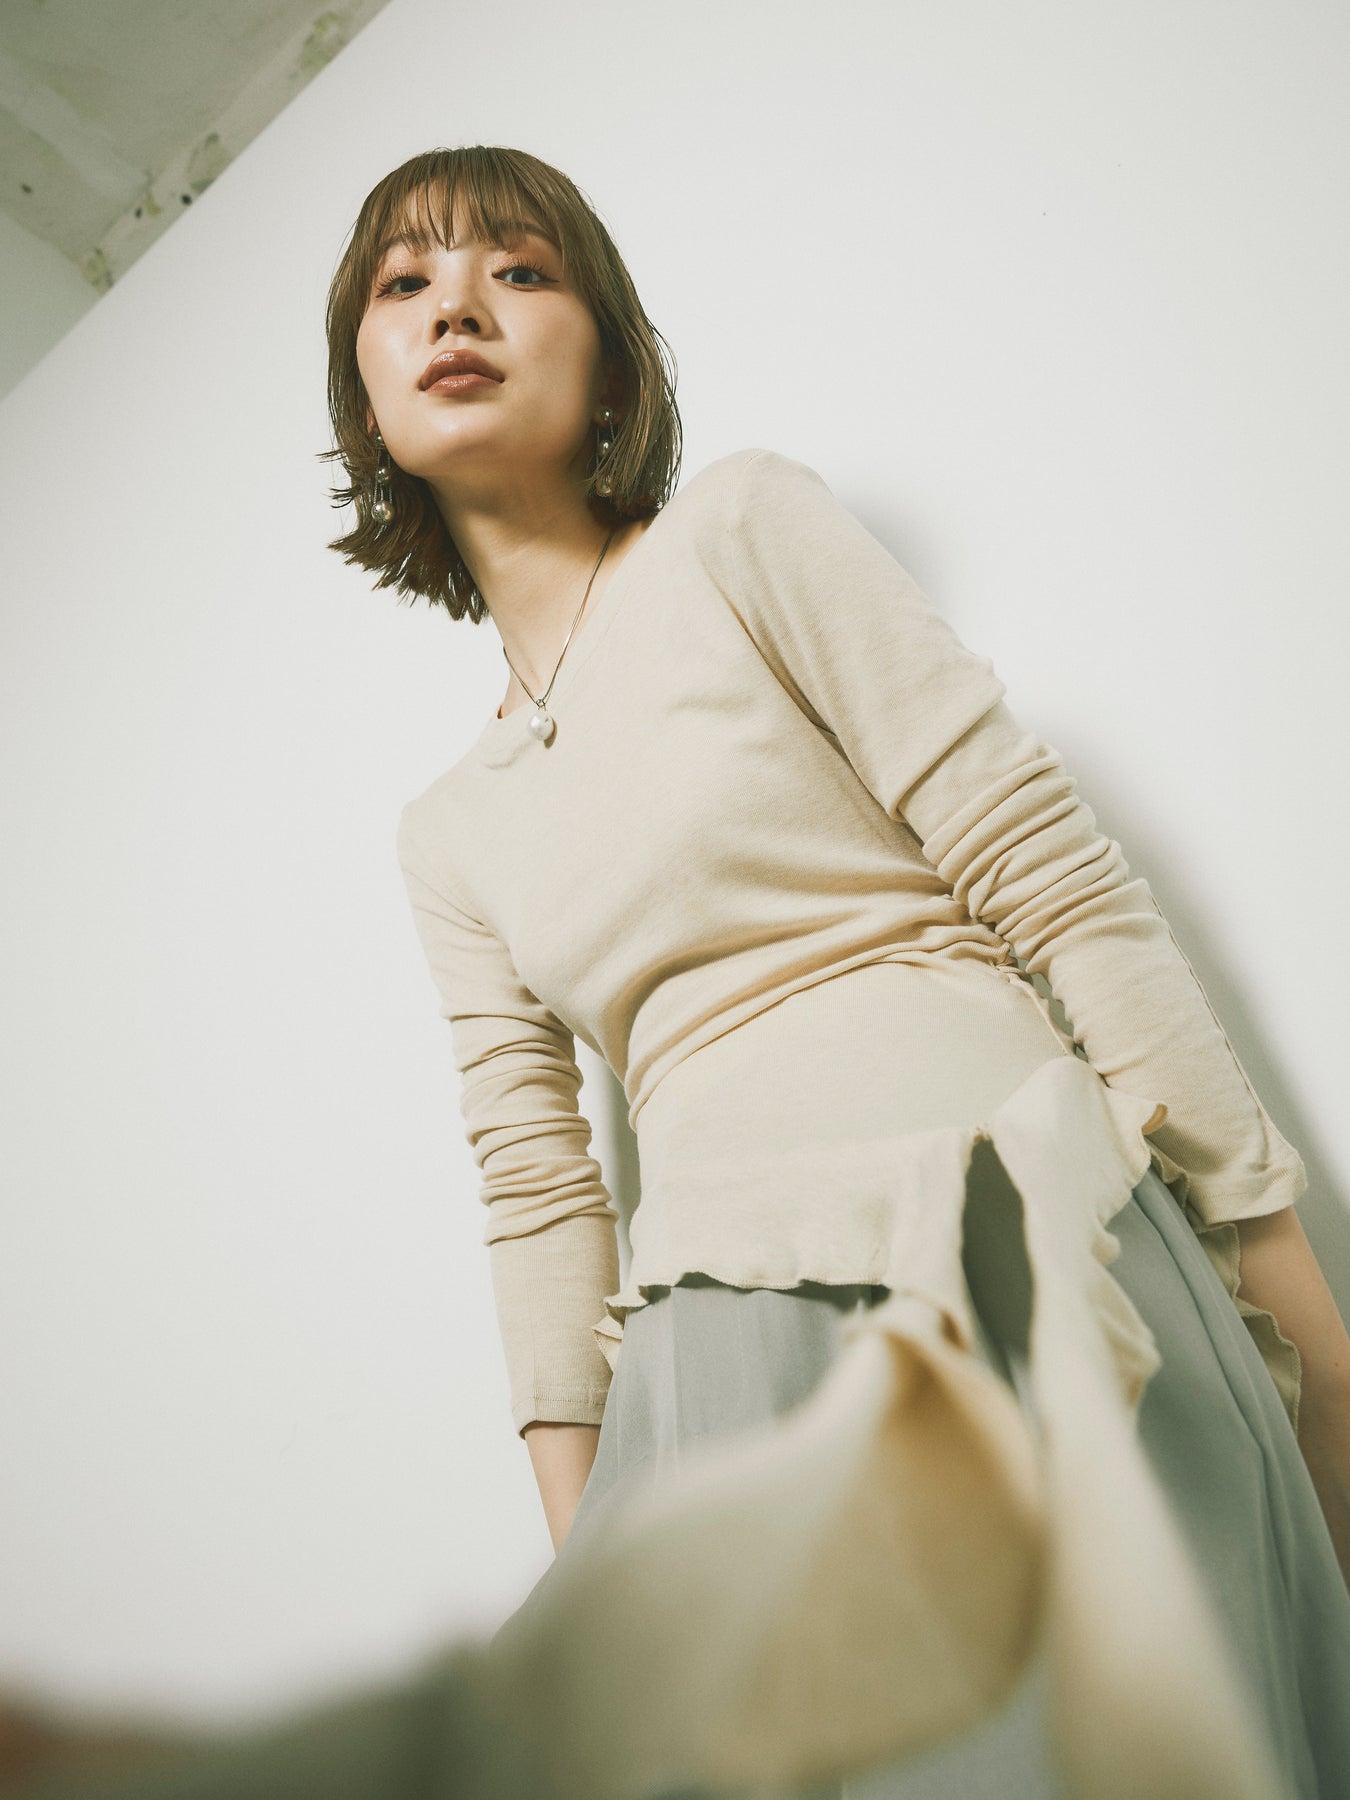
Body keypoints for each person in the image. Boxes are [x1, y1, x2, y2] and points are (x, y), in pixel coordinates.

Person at [6, 140, 1347, 1800]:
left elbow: (1046, 875)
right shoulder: (447, 829)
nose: (456, 309)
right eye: (404, 285)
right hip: (716, 1339)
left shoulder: (743, 530)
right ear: (362, 391)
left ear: (611, 359)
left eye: (519, 269)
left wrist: (1292, 1303)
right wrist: (590, 1567)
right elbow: (537, 1191)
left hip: (999, 1220)